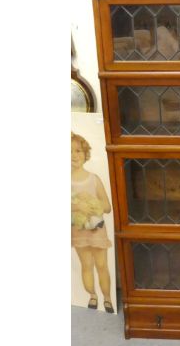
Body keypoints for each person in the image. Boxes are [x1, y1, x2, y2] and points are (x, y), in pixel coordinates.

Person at [71, 132, 114, 313]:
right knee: (86, 265)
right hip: (79, 231)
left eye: (78, 151)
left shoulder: (94, 179)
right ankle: (92, 296)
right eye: (69, 152)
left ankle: (107, 298)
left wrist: (94, 205)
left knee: (102, 265)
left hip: (97, 230)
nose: (74, 155)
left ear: (85, 153)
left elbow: (107, 206)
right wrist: (76, 207)